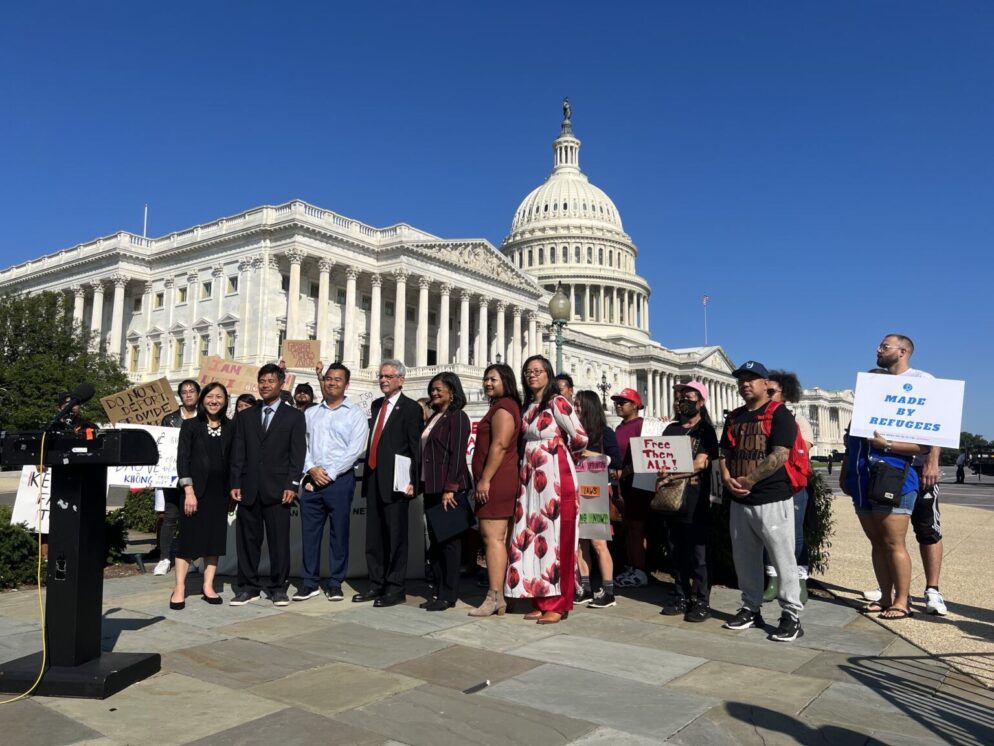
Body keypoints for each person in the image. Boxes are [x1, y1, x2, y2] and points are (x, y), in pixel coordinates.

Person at [860, 335, 947, 615]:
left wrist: (932, 461)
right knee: (886, 536)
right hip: (885, 466)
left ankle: (932, 590)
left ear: (902, 351)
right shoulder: (877, 384)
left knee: (926, 528)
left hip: (918, 467)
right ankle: (893, 590)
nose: (878, 349)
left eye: (884, 346)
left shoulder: (923, 380)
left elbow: (938, 423)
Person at [719, 360, 804, 642]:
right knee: (745, 558)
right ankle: (750, 607)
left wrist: (750, 480)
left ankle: (791, 613)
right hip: (739, 499)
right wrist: (728, 477)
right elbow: (724, 453)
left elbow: (780, 454)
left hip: (771, 497)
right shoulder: (735, 417)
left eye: (751, 379)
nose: (745, 383)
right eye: (741, 379)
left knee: (782, 557)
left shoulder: (779, 414)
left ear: (766, 383)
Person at [506, 355, 587, 624]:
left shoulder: (557, 402)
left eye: (538, 371)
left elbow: (580, 437)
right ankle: (541, 598)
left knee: (557, 536)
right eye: (528, 371)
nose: (532, 375)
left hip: (554, 474)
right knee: (534, 535)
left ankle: (560, 602)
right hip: (530, 479)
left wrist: (558, 454)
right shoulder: (529, 407)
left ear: (548, 374)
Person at [229, 363, 306, 606]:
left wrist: (292, 485)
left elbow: (297, 454)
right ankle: (247, 587)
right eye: (262, 381)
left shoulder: (294, 416)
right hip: (249, 489)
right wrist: (235, 481)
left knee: (278, 543)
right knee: (247, 542)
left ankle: (277, 587)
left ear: (281, 383)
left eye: (270, 381)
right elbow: (238, 452)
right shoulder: (246, 416)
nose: (265, 385)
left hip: (279, 490)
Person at [293, 363, 368, 603]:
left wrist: (330, 473)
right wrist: (312, 469)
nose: (332, 382)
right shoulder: (311, 413)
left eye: (338, 379)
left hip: (340, 481)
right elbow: (300, 445)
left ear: (346, 384)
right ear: (323, 381)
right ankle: (309, 582)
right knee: (310, 534)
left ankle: (335, 582)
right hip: (312, 481)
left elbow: (355, 449)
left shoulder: (355, 414)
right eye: (328, 378)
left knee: (339, 534)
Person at [354, 360, 422, 607]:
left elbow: (415, 447)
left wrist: (413, 480)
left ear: (401, 380)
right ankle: (376, 583)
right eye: (381, 376)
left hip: (397, 481)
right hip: (373, 479)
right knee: (374, 537)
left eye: (389, 376)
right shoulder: (375, 405)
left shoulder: (411, 408)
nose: (383, 380)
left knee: (395, 537)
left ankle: (395, 588)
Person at [656, 381, 720, 622]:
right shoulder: (671, 429)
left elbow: (700, 463)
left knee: (699, 554)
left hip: (696, 499)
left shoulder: (705, 430)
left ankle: (701, 601)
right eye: (680, 396)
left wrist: (671, 473)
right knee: (676, 550)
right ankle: (681, 595)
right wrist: (663, 472)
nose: (682, 400)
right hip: (671, 498)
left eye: (688, 396)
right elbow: (659, 459)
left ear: (700, 402)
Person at [170, 382, 233, 610]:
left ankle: (208, 586)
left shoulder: (230, 426)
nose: (214, 401)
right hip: (194, 493)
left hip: (220, 494)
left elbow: (235, 461)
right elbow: (182, 460)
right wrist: (189, 491)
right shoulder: (190, 426)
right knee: (189, 541)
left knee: (213, 542)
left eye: (219, 397)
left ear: (225, 401)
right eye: (210, 396)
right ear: (202, 399)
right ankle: (179, 588)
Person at [470, 363, 522, 617]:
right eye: (486, 379)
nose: (488, 383)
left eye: (493, 379)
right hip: (500, 479)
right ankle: (503, 595)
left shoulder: (504, 408)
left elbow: (500, 445)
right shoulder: (506, 406)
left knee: (493, 539)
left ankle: (494, 596)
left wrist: (485, 479)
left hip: (497, 480)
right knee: (500, 540)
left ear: (506, 381)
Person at [418, 372, 472, 611]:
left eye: (439, 389)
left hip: (448, 488)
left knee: (449, 542)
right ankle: (439, 590)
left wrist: (451, 487)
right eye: (432, 389)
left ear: (453, 391)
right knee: (436, 542)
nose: (434, 393)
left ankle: (448, 594)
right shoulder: (435, 417)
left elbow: (458, 454)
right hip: (431, 486)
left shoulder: (457, 417)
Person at [762, 371, 815, 604]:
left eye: (771, 391)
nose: (767, 395)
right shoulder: (756, 417)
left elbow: (804, 449)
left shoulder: (796, 418)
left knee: (795, 533)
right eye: (766, 391)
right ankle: (773, 579)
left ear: (784, 393)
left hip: (792, 483)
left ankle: (799, 580)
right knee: (768, 533)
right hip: (766, 485)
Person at [573, 390, 621, 609]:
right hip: (577, 491)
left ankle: (608, 591)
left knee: (598, 542)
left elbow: (616, 462)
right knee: (579, 543)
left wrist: (589, 455)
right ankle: (585, 587)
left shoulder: (604, 433)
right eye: (574, 405)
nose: (575, 409)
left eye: (579, 405)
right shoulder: (573, 434)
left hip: (597, 492)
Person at [154, 379, 201, 576]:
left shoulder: (205, 418)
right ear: (180, 396)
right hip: (171, 476)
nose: (188, 395)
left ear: (198, 394)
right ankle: (165, 557)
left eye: (192, 391)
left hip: (197, 476)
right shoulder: (169, 419)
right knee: (170, 517)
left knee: (192, 518)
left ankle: (190, 558)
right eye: (184, 392)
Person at [611, 388, 652, 588]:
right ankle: (632, 565)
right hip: (623, 484)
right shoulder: (619, 428)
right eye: (617, 402)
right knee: (628, 526)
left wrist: (625, 471)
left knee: (637, 527)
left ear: (635, 405)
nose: (618, 405)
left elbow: (646, 453)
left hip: (639, 482)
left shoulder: (642, 426)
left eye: (623, 402)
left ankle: (641, 570)